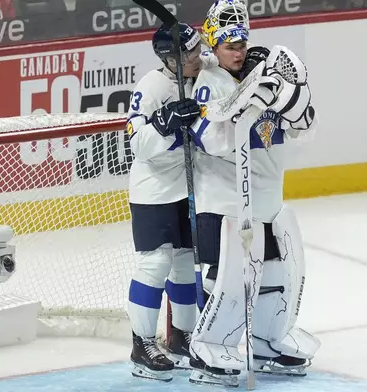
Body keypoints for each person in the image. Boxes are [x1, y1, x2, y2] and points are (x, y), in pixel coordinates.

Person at [186, 0, 320, 387]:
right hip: (225, 200)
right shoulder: (211, 82)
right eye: (230, 45)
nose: (238, 51)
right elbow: (210, 140)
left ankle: (265, 341)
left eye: (241, 44)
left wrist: (287, 97)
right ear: (214, 44)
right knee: (228, 278)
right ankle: (208, 345)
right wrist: (245, 100)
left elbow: (306, 131)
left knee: (276, 275)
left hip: (264, 201)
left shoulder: (264, 78)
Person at [125, 21, 204, 382]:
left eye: (198, 49)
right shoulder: (151, 87)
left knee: (185, 262)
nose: (197, 58)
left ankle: (180, 337)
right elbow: (136, 145)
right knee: (156, 263)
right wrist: (163, 124)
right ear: (170, 59)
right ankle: (142, 343)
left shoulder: (200, 74)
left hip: (188, 187)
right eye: (190, 54)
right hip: (153, 188)